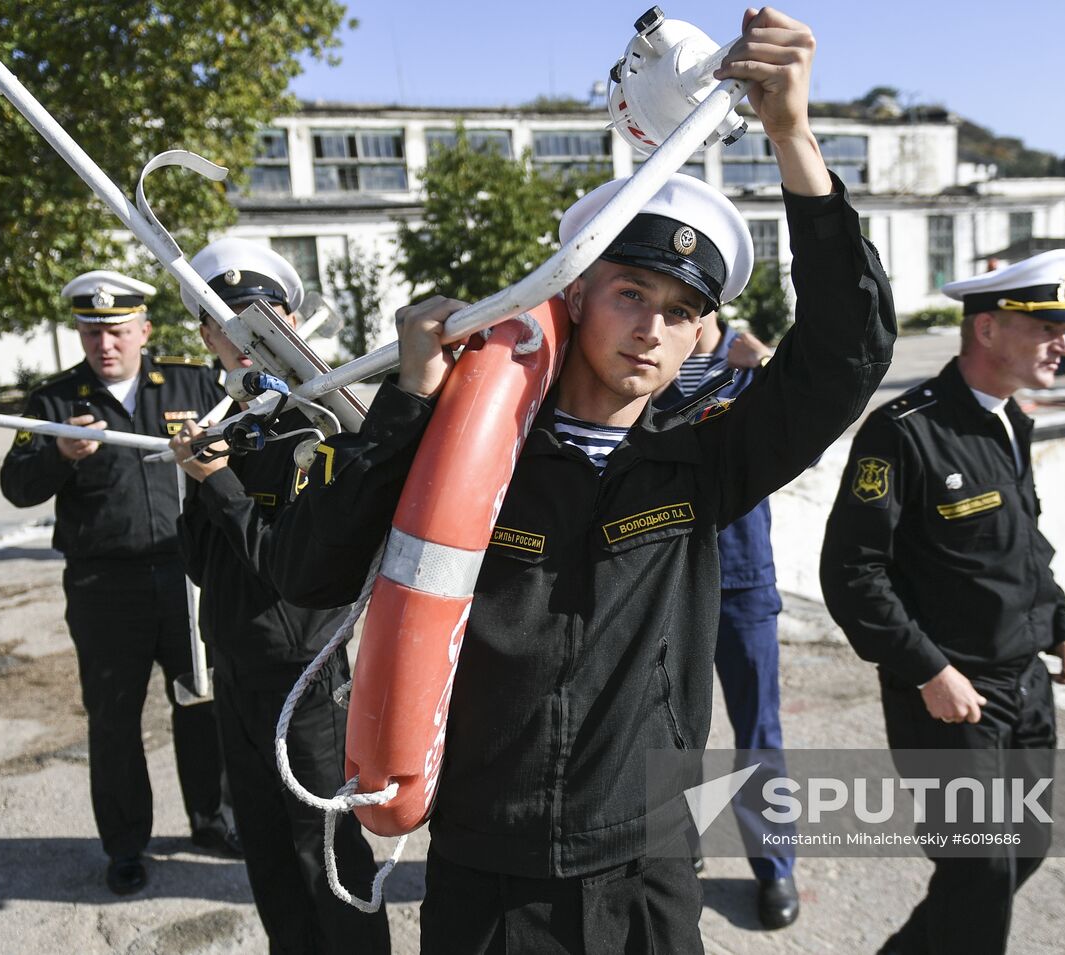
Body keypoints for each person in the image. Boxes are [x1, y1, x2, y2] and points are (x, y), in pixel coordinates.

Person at [266, 9, 895, 951]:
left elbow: (847, 353)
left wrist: (792, 138)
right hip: (490, 868)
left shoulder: (705, 460)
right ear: (573, 295)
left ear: (700, 338)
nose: (652, 328)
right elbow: (306, 573)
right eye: (631, 292)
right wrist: (407, 402)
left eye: (682, 311)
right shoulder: (461, 454)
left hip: (646, 864)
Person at [821, 248, 1065, 955]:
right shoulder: (905, 431)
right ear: (990, 330)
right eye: (1048, 326)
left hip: (1025, 684)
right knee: (979, 871)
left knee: (1024, 849)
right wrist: (927, 670)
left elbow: (1023, 544)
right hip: (950, 694)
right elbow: (852, 572)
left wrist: (1059, 620)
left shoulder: (1010, 421)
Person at [169, 239, 391, 953]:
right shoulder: (229, 424)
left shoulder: (319, 422)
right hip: (236, 666)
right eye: (216, 326)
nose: (233, 340)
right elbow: (204, 564)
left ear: (287, 321)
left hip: (306, 673)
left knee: (325, 854)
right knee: (266, 854)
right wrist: (201, 481)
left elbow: (285, 566)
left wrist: (219, 484)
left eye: (248, 320)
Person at [0, 270, 238, 895]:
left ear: (143, 331)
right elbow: (16, 486)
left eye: (117, 331)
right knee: (112, 720)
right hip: (105, 586)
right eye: (92, 331)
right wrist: (61, 454)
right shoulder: (54, 402)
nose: (105, 344)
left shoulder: (190, 381)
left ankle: (212, 821)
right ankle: (126, 846)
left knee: (201, 701)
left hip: (188, 577)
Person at [652, 318, 799, 930]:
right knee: (669, 729)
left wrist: (766, 364)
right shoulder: (652, 363)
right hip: (668, 576)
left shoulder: (748, 365)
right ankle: (681, 851)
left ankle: (776, 867)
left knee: (758, 732)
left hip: (741, 578)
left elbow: (799, 433)